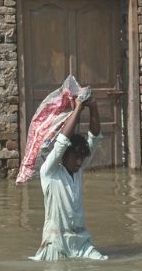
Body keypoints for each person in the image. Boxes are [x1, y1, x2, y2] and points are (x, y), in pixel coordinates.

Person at [31, 95, 107, 261]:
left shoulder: (77, 171)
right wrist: (78, 108)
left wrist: (93, 107)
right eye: (75, 157)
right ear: (64, 156)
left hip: (81, 241)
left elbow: (94, 137)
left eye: (82, 158)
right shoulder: (49, 172)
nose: (80, 162)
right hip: (55, 242)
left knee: (102, 263)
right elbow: (62, 142)